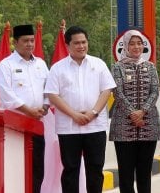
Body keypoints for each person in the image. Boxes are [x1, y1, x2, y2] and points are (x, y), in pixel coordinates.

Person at [45, 26, 116, 193]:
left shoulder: (98, 64)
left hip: (95, 126)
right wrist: (74, 115)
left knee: (96, 169)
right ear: (68, 45)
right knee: (70, 170)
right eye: (76, 43)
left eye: (84, 42)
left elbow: (107, 90)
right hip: (68, 128)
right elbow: (53, 95)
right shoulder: (58, 68)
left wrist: (93, 113)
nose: (81, 46)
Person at [0, 24, 49, 193]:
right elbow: (6, 95)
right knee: (15, 168)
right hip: (15, 125)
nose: (30, 44)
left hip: (37, 124)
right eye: (25, 41)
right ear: (15, 42)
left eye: (32, 40)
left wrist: (45, 105)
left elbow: (50, 88)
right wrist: (28, 111)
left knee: (37, 168)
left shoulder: (40, 63)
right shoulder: (6, 66)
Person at [109, 30, 160, 193]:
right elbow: (117, 92)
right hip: (124, 128)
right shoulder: (117, 67)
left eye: (139, 43)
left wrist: (143, 112)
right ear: (125, 46)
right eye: (132, 43)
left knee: (145, 174)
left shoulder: (150, 67)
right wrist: (133, 113)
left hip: (148, 126)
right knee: (125, 175)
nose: (136, 47)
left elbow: (155, 91)